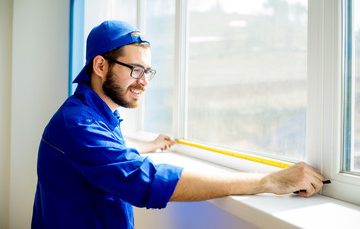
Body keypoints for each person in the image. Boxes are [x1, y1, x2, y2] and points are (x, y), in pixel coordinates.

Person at [31, 20, 324, 229]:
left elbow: (109, 155)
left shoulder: (94, 115)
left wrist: (149, 145)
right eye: (135, 70)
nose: (144, 82)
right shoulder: (77, 125)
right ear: (100, 66)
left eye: (147, 71)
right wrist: (267, 180)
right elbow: (145, 182)